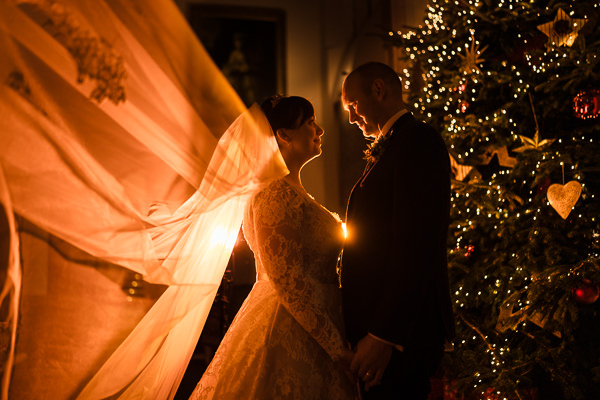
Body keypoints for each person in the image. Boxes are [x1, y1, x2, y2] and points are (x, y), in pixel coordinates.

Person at [189, 95, 358, 400]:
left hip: (315, 324)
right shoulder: (275, 193)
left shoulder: (291, 189)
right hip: (289, 327)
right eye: (310, 123)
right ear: (283, 135)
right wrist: (338, 351)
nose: (319, 131)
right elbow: (290, 283)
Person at [339, 61, 456, 399]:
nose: (350, 118)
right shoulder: (393, 145)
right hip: (382, 327)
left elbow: (415, 246)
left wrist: (382, 336)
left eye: (353, 105)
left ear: (379, 89)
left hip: (402, 333)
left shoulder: (418, 141)